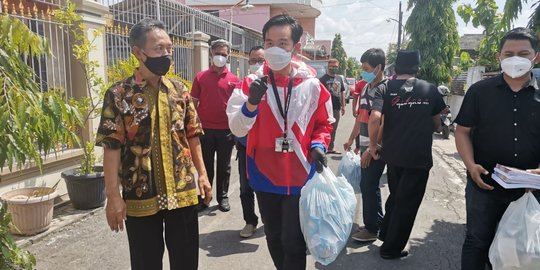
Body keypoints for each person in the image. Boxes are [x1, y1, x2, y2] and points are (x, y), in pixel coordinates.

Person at [96, 18, 212, 270]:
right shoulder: (119, 94)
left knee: (186, 261)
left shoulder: (179, 90)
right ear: (138, 52)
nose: (167, 54)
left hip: (182, 192)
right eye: (159, 49)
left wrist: (202, 175)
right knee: (145, 262)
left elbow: (192, 135)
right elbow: (111, 147)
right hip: (140, 195)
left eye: (169, 48)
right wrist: (113, 197)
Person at [227, 14, 334, 270]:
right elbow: (236, 127)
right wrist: (251, 103)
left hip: (300, 173)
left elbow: (324, 123)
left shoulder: (312, 85)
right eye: (269, 42)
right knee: (274, 237)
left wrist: (319, 145)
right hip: (264, 173)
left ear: (296, 47)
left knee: (293, 240)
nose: (274, 48)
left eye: (283, 43)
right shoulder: (251, 83)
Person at [455, 27, 540, 270]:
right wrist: (470, 166)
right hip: (484, 185)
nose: (516, 59)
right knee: (477, 241)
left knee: (520, 247)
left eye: (523, 53)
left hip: (530, 190)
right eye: (509, 53)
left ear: (536, 56)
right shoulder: (479, 92)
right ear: (499, 57)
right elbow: (462, 131)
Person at [371, 50, 446, 259]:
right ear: (417, 68)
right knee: (407, 203)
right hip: (417, 156)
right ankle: (391, 249)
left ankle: (386, 232)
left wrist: (373, 145)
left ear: (396, 68)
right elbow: (437, 122)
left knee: (397, 196)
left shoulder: (385, 88)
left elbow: (375, 118)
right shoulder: (430, 89)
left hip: (392, 154)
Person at [343, 48, 387, 243]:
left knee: (369, 185)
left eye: (366, 68)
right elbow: (361, 118)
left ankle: (372, 229)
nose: (363, 71)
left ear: (379, 67)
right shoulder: (368, 87)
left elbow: (383, 122)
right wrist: (353, 139)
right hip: (365, 144)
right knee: (367, 184)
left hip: (376, 147)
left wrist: (371, 148)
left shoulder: (385, 89)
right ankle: (376, 222)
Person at [191, 39, 240, 212]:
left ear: (228, 57)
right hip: (205, 130)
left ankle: (223, 197)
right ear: (211, 54)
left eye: (224, 54)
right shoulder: (201, 77)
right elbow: (193, 104)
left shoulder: (234, 80)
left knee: (224, 166)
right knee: (205, 165)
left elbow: (237, 107)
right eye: (217, 53)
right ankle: (204, 197)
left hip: (226, 130)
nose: (220, 57)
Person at [236, 45, 264, 238]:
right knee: (246, 186)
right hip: (245, 144)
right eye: (253, 60)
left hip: (266, 147)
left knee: (266, 185)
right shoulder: (243, 85)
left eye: (260, 60)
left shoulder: (275, 88)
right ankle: (250, 221)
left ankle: (270, 220)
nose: (256, 64)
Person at [319, 58, 346, 154]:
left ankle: (331, 147)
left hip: (336, 108)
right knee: (324, 128)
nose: (334, 68)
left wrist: (343, 106)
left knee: (333, 128)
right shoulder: (322, 79)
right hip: (325, 108)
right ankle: (322, 146)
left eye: (336, 67)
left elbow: (342, 92)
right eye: (332, 66)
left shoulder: (339, 78)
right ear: (328, 66)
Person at [351, 79, 368, 152]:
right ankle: (358, 147)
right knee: (359, 130)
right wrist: (354, 108)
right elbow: (355, 97)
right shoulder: (360, 84)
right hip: (361, 112)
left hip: (374, 114)